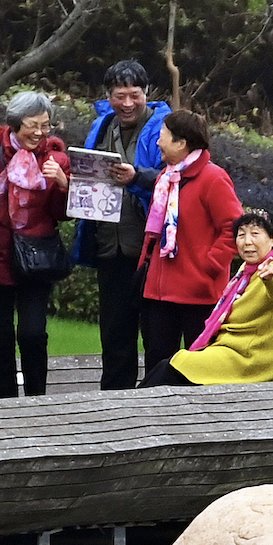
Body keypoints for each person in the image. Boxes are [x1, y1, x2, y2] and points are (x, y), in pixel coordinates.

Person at [75, 61, 173, 389]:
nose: (127, 104)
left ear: (146, 94)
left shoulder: (165, 128)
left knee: (156, 334)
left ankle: (158, 398)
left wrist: (138, 177)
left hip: (150, 249)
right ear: (109, 97)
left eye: (135, 95)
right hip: (110, 245)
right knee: (115, 333)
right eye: (120, 96)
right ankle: (114, 403)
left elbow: (178, 177)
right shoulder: (102, 127)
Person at [139, 110, 243, 379]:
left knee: (199, 370)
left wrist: (208, 267)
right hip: (161, 293)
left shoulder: (213, 178)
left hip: (200, 295)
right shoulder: (167, 177)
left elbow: (234, 229)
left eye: (162, 136)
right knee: (157, 366)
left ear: (181, 143)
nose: (158, 142)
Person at [145, 209, 273, 386]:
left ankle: (135, 407)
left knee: (172, 369)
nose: (247, 241)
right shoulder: (247, 270)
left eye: (255, 234)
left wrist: (271, 280)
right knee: (167, 368)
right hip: (233, 351)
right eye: (241, 235)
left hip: (253, 359)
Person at [0, 92, 71, 398]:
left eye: (45, 126)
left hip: (38, 257)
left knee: (33, 333)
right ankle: (4, 401)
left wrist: (62, 183)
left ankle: (37, 397)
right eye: (32, 126)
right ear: (15, 124)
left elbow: (62, 214)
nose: (39, 133)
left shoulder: (56, 159)